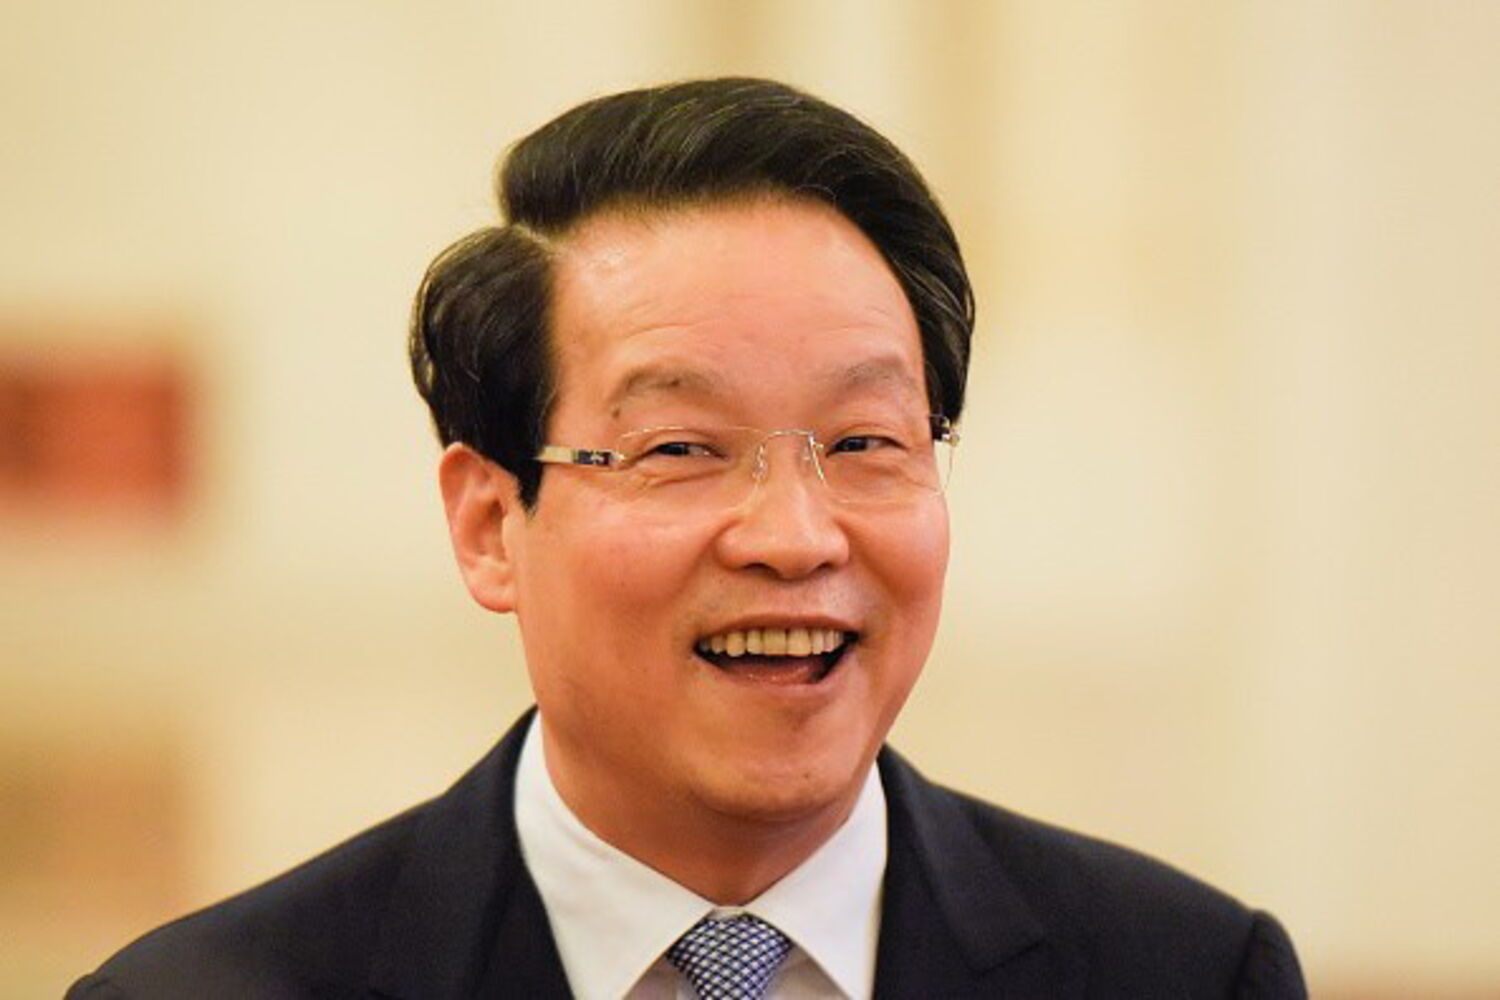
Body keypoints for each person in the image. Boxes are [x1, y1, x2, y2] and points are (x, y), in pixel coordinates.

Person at [69, 77, 1306, 999]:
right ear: (491, 523)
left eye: (865, 441)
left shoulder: (1188, 972)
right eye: (679, 448)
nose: (795, 536)